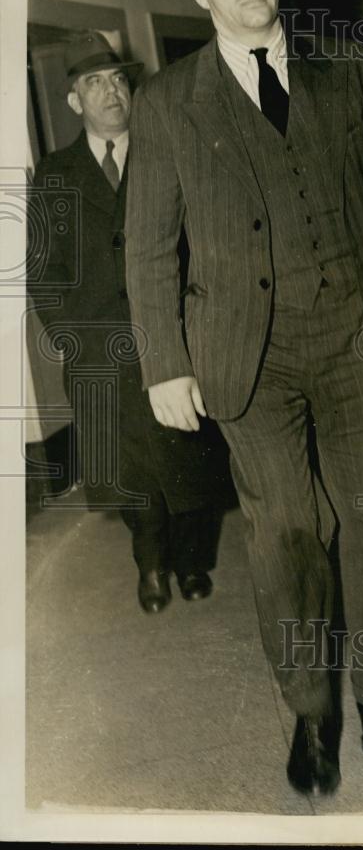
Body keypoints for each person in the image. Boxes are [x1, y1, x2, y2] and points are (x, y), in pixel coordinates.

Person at [123, 0, 363, 796]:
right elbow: (147, 240)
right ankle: (312, 713)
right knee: (285, 532)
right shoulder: (169, 101)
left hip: (355, 334)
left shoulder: (345, 70)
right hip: (242, 352)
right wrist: (165, 362)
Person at [28, 31, 225, 614]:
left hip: (172, 339)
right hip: (99, 348)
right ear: (73, 101)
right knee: (131, 471)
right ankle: (150, 565)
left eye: (118, 79)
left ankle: (191, 560)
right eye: (94, 82)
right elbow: (44, 269)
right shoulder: (56, 173)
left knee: (186, 461)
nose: (111, 91)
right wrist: (70, 335)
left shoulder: (168, 151)